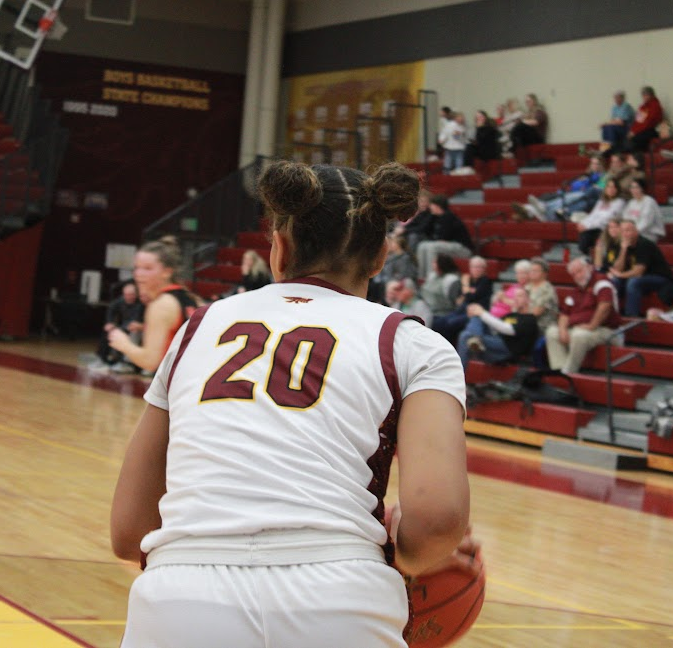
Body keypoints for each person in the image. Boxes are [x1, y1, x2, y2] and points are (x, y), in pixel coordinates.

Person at [110, 161, 472, 648]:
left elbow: (131, 530)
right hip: (337, 599)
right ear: (381, 255)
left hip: (181, 598)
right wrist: (412, 553)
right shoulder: (414, 344)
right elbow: (437, 520)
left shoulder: (199, 327)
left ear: (279, 248)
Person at [108, 237, 200, 374]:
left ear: (167, 272)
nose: (139, 274)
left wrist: (124, 344)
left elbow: (149, 362)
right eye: (137, 268)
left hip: (184, 382)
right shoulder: (188, 296)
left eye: (148, 268)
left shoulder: (161, 305)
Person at [545, 256, 619, 374]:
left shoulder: (602, 282)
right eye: (574, 274)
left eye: (579, 271)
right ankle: (559, 370)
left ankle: (569, 372)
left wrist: (592, 325)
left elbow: (605, 306)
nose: (577, 276)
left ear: (589, 267)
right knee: (552, 332)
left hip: (605, 330)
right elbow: (565, 314)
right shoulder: (577, 289)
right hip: (580, 328)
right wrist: (563, 329)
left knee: (579, 335)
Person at [458, 285, 539, 370]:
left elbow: (507, 329)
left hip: (507, 350)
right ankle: (475, 341)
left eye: (520, 296)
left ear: (528, 300)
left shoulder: (530, 319)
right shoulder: (511, 315)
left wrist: (482, 313)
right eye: (514, 296)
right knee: (475, 319)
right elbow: (494, 327)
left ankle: (457, 376)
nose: (515, 298)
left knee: (465, 336)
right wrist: (475, 312)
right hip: (495, 343)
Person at [607, 219, 673, 317]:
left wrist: (620, 275)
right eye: (622, 231)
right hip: (639, 277)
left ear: (636, 231)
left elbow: (638, 272)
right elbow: (617, 269)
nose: (625, 234)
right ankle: (611, 315)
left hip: (659, 278)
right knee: (614, 281)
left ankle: (631, 316)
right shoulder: (622, 244)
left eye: (628, 230)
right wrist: (623, 250)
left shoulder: (644, 244)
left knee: (634, 282)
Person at [414, 196, 473, 278]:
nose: (430, 207)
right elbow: (426, 231)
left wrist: (440, 240)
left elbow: (443, 238)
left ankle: (431, 277)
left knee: (432, 247)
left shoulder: (449, 217)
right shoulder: (435, 217)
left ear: (437, 206)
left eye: (432, 205)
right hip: (448, 246)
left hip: (463, 249)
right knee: (422, 245)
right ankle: (421, 277)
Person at [95, 282, 145, 369]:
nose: (128, 297)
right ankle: (102, 358)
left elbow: (136, 320)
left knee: (131, 332)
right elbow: (111, 309)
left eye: (131, 295)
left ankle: (126, 363)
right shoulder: (120, 301)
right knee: (108, 331)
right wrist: (110, 322)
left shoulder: (141, 304)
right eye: (126, 295)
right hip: (125, 326)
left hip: (137, 328)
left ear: (136, 295)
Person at [576, 177, 627, 255]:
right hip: (594, 228)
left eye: (614, 187)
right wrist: (583, 223)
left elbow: (606, 219)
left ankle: (584, 255)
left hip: (607, 229)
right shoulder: (601, 201)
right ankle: (584, 255)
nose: (611, 189)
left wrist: (588, 226)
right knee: (585, 233)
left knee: (586, 234)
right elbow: (592, 215)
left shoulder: (619, 202)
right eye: (609, 186)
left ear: (617, 189)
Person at [369, 235, 417, 305]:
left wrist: (391, 280)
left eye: (393, 243)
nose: (391, 245)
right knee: (376, 284)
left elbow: (403, 273)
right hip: (389, 279)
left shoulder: (405, 257)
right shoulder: (392, 257)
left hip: (400, 280)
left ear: (398, 245)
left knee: (385, 285)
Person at [622, 178, 665, 242]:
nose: (634, 190)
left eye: (636, 187)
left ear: (642, 189)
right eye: (632, 188)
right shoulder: (631, 202)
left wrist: (633, 232)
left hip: (648, 234)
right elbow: (625, 219)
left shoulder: (649, 202)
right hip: (633, 233)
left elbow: (646, 223)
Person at [625, 86, 663, 154]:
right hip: (641, 130)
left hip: (650, 130)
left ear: (652, 95)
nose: (644, 97)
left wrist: (634, 132)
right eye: (643, 95)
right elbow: (637, 121)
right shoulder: (642, 107)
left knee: (636, 140)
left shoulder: (655, 106)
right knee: (625, 139)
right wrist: (632, 131)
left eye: (646, 95)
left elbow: (648, 123)